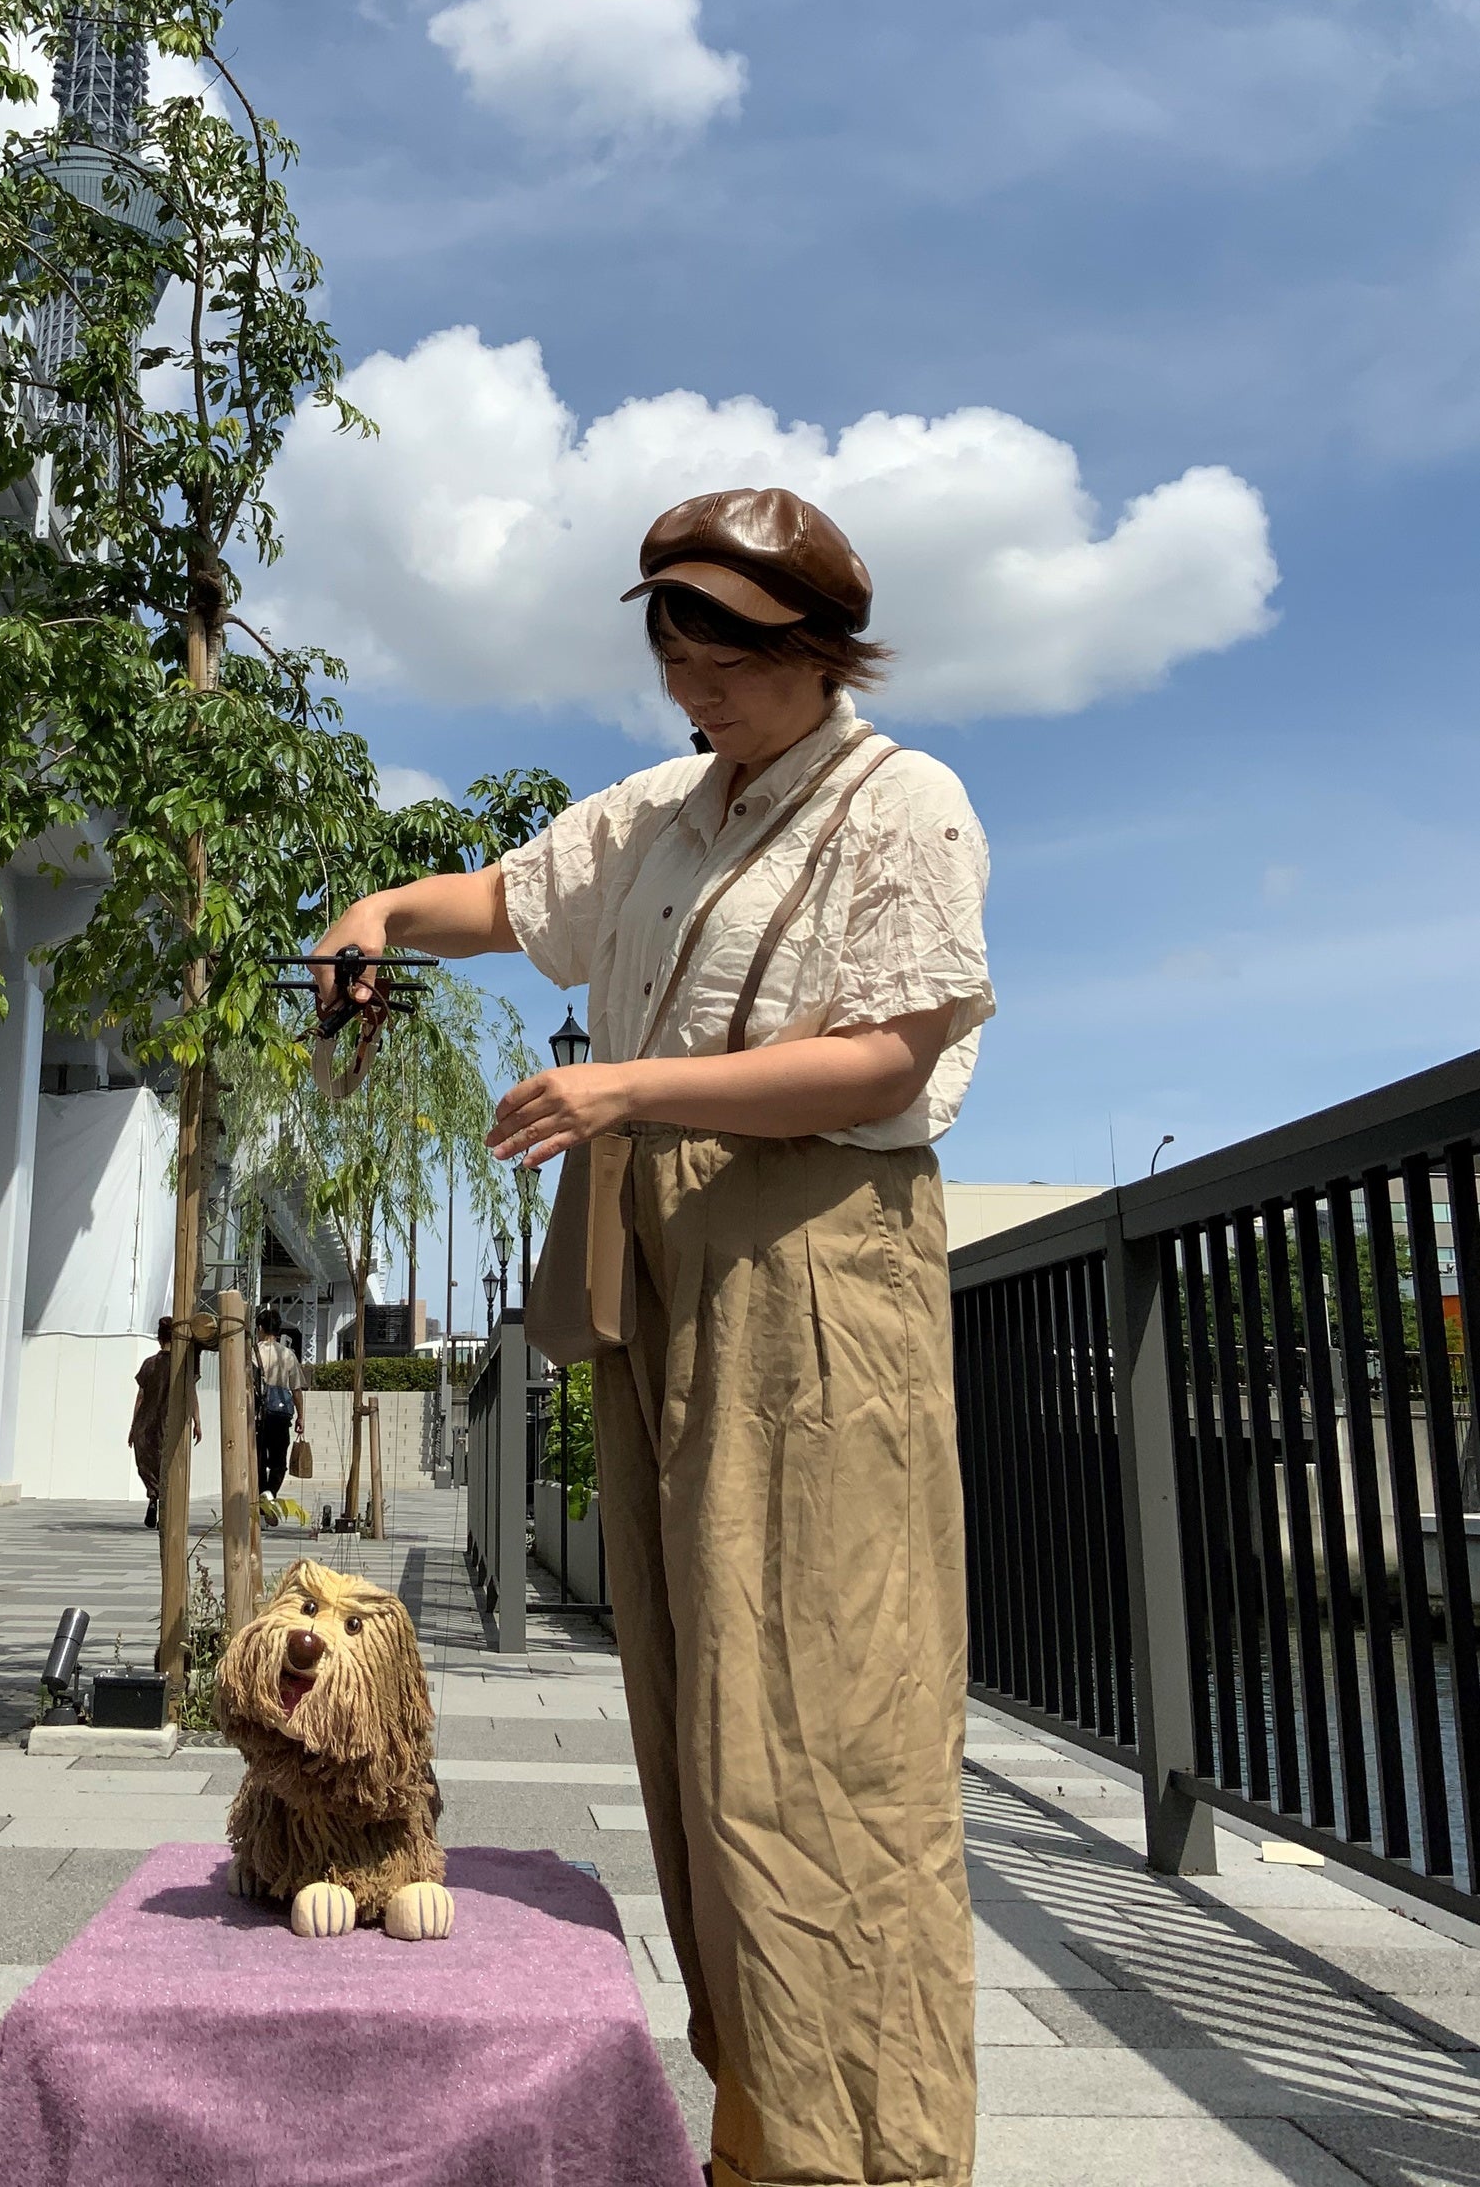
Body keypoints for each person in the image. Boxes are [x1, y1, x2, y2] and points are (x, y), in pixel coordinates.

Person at [310, 488, 991, 2187]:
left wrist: (624, 1087)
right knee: (694, 1700)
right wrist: (377, 914)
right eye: (674, 651)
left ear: (819, 651)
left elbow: (889, 1058)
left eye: (730, 655)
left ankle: (871, 2153)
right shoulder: (665, 813)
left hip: (815, 1258)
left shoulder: (901, 802)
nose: (696, 685)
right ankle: (760, 2121)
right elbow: (505, 896)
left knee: (828, 1712)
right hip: (661, 1260)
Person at [129, 1314, 200, 1530]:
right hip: (171, 1424)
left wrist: (133, 1427)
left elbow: (140, 1398)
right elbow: (191, 1393)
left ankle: (153, 1496)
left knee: (148, 1466)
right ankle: (165, 1510)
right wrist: (197, 1421)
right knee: (169, 1467)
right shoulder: (182, 1366)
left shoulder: (149, 1364)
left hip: (146, 1425)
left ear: (160, 1339)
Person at [254, 1312, 305, 1501]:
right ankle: (270, 1492)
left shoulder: (252, 1352)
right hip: (281, 1414)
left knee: (258, 1458)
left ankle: (261, 1494)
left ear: (260, 1328)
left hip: (257, 1415)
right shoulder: (287, 1354)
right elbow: (296, 1389)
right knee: (279, 1460)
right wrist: (301, 1416)